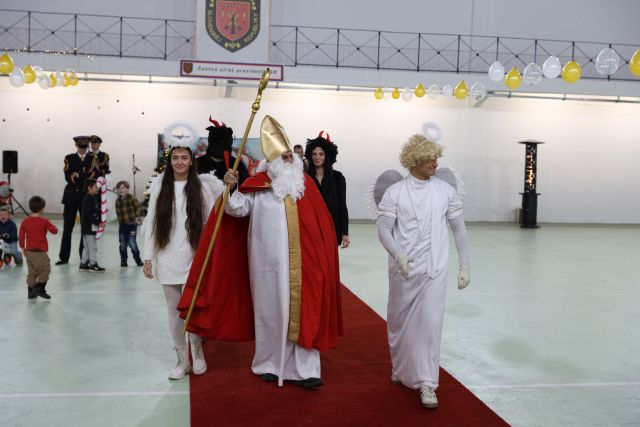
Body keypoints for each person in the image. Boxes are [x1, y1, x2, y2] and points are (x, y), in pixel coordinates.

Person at [222, 115, 342, 389]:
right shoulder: (258, 187)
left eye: (291, 155)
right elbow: (236, 209)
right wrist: (229, 187)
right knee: (270, 313)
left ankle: (306, 369)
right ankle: (269, 363)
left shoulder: (305, 186)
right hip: (267, 266)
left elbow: (321, 227)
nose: (289, 159)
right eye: (283, 156)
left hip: (305, 265)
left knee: (305, 310)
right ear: (272, 162)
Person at [377, 133, 470, 409]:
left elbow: (458, 229)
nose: (435, 162)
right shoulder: (395, 192)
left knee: (429, 324)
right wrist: (399, 255)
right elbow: (384, 230)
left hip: (434, 269)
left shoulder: (445, 191)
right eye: (430, 158)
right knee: (399, 322)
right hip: (403, 270)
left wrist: (464, 265)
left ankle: (427, 382)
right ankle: (401, 368)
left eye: (436, 157)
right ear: (414, 160)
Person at [143, 145, 224, 380]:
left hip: (194, 256)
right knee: (173, 309)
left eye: (184, 158)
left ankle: (197, 353)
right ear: (170, 162)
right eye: (175, 158)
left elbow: (209, 223)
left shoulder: (201, 188)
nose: (179, 162)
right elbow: (152, 222)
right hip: (167, 255)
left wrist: (208, 254)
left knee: (192, 308)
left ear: (191, 161)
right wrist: (148, 257)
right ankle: (182, 359)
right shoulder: (160, 188)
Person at [304, 132, 350, 248]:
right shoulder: (304, 179)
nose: (317, 157)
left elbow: (342, 206)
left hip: (332, 227)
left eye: (321, 154)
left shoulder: (338, 178)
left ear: (327, 156)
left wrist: (345, 233)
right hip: (312, 229)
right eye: (314, 154)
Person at [57, 136, 96, 265]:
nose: (83, 149)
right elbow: (68, 177)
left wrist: (78, 175)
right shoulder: (69, 158)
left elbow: (93, 175)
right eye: (81, 146)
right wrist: (83, 176)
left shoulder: (92, 158)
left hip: (85, 196)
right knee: (67, 228)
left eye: (85, 147)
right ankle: (63, 257)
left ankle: (83, 258)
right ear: (76, 146)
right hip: (71, 196)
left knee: (85, 229)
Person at [18, 196, 58, 299]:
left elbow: (21, 235)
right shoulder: (44, 221)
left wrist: (22, 248)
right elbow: (54, 231)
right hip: (40, 252)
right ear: (42, 209)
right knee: (45, 269)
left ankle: (31, 291)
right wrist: (52, 225)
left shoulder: (25, 221)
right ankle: (39, 287)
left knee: (32, 272)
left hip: (29, 251)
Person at [196, 117, 249, 184]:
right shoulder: (197, 164)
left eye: (224, 143)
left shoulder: (237, 165)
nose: (221, 146)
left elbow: (246, 185)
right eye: (218, 142)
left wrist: (235, 184)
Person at [115, 180, 143, 267]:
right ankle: (123, 261)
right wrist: (119, 220)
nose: (121, 190)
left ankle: (138, 260)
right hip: (122, 225)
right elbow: (118, 212)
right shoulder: (118, 201)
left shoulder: (132, 198)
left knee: (132, 243)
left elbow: (139, 207)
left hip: (132, 225)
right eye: (119, 188)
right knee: (122, 244)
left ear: (127, 189)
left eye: (123, 188)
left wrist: (138, 217)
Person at [79, 179, 105, 272]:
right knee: (92, 246)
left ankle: (83, 263)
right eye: (95, 187)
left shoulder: (90, 198)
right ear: (89, 188)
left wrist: (100, 210)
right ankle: (93, 264)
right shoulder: (89, 198)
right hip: (90, 227)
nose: (98, 188)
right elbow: (89, 214)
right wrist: (98, 223)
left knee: (86, 246)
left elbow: (92, 210)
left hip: (86, 227)